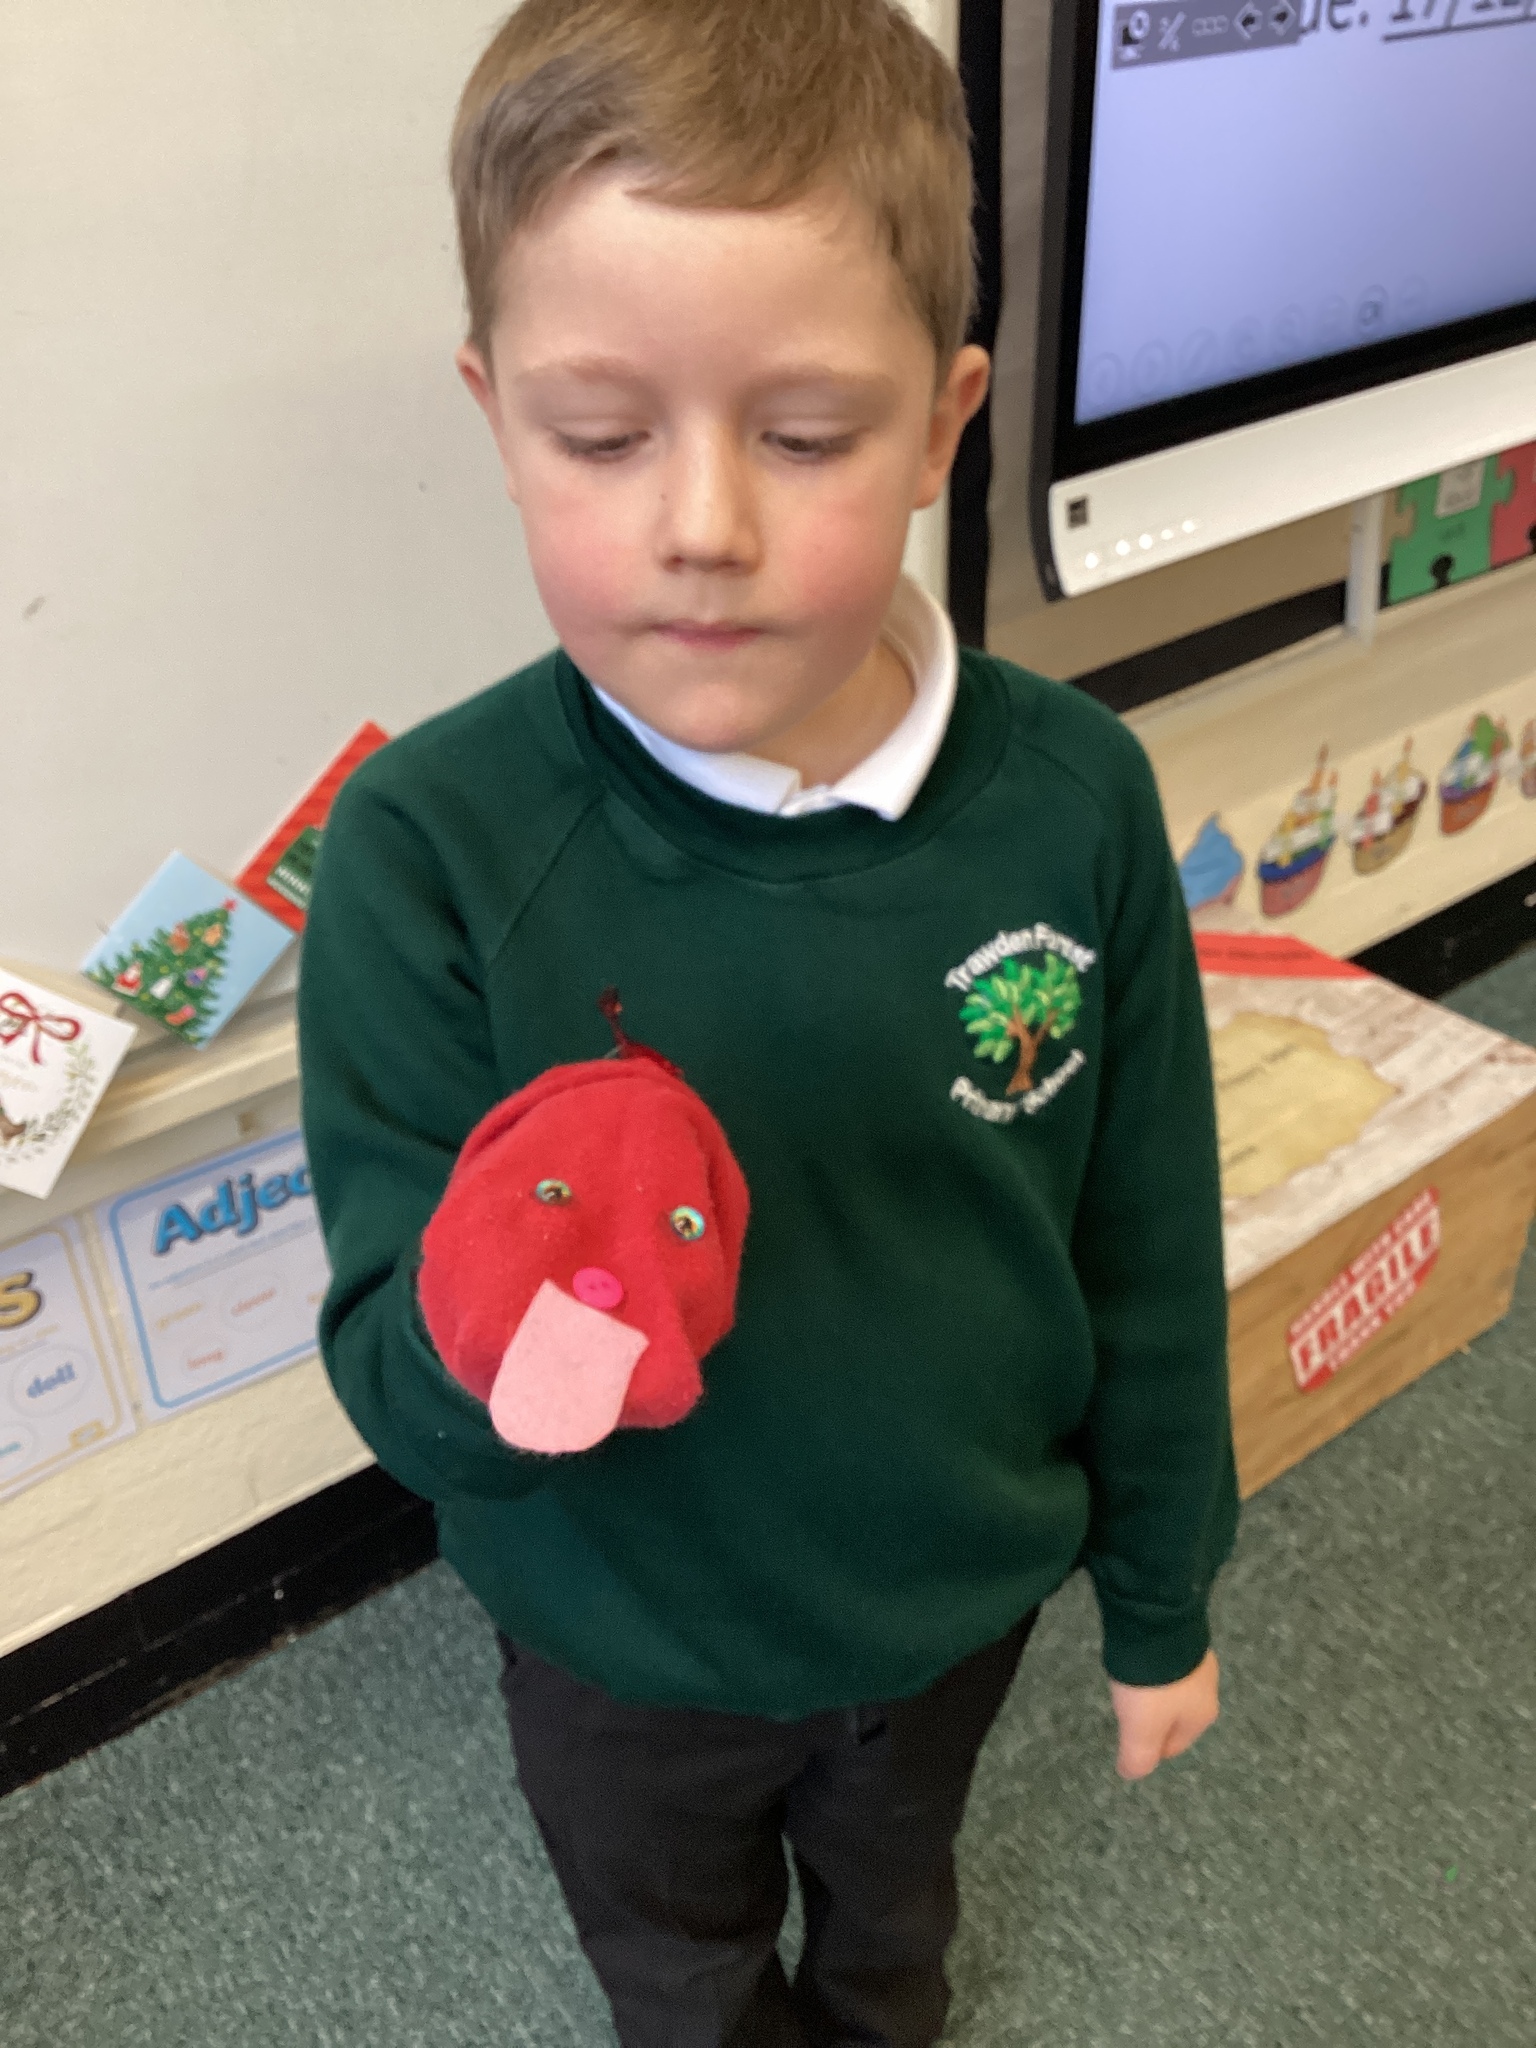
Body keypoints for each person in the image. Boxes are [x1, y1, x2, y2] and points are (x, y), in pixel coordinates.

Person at [297, 2, 1239, 2042]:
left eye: (806, 436)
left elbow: (1149, 1241)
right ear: (495, 414)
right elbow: (393, 1371)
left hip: (949, 1603)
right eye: (600, 435)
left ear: (943, 422)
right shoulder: (430, 848)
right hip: (617, 1633)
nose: (703, 525)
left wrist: (1161, 1596)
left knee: (893, 1929)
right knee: (678, 1962)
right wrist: (520, 1304)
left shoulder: (1074, 799)